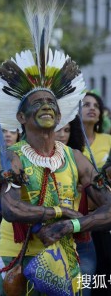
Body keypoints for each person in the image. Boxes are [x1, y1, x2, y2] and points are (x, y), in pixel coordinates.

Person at [0, 0, 111, 295]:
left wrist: (72, 227)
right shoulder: (13, 158)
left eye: (51, 102)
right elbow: (11, 209)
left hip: (65, 258)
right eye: (37, 103)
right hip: (17, 258)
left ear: (60, 114)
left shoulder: (75, 158)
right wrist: (59, 213)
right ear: (21, 117)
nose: (47, 106)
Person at [55, 116, 96, 296]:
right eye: (58, 129)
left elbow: (98, 205)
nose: (63, 135)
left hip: (82, 241)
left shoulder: (78, 159)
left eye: (67, 130)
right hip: (50, 241)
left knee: (82, 291)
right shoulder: (31, 160)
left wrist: (84, 191)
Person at [81, 90, 111, 291]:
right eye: (86, 104)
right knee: (84, 275)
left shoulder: (109, 141)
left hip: (104, 214)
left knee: (104, 274)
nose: (92, 108)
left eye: (96, 106)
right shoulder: (67, 142)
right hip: (78, 216)